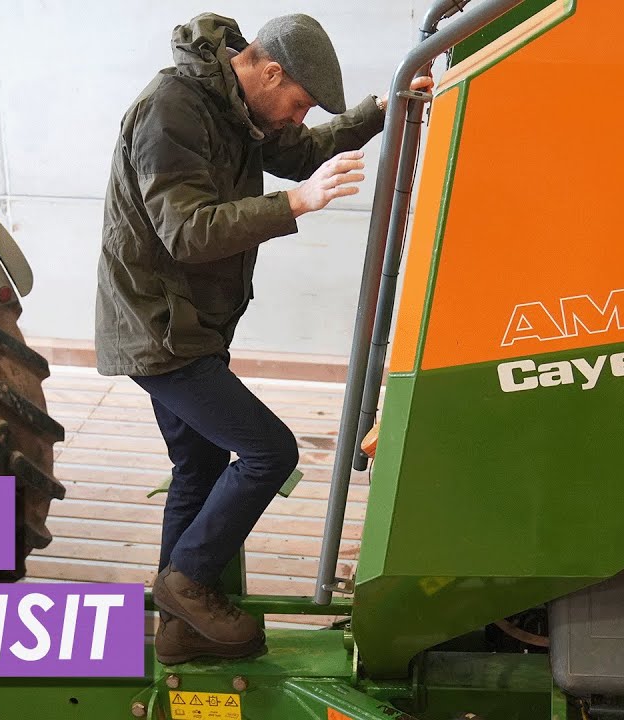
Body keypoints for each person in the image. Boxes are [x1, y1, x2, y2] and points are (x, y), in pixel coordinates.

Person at [94, 12, 432, 663]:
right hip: (160, 332)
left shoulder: (233, 108)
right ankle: (187, 580)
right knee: (268, 452)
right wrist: (296, 205)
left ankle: (178, 630)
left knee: (198, 464)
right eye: (299, 102)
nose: (298, 117)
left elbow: (298, 151)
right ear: (269, 71)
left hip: (184, 324)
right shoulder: (172, 109)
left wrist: (383, 107)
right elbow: (186, 231)